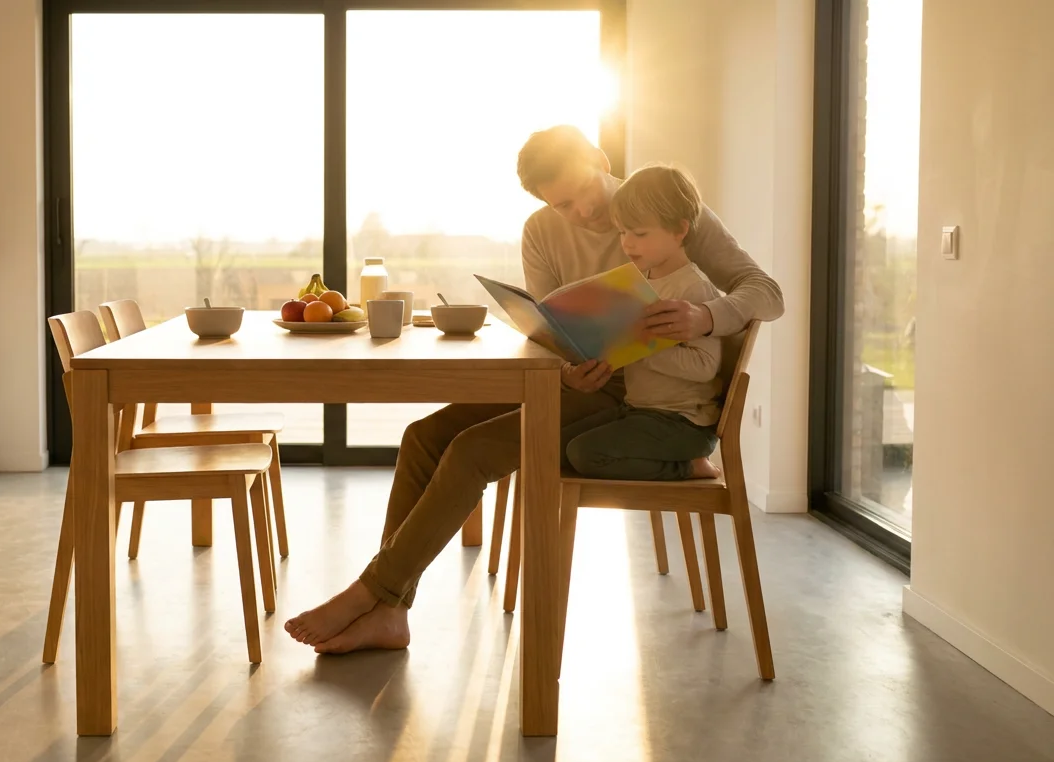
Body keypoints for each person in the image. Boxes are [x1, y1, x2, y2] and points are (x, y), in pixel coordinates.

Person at [284, 125, 784, 654]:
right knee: (423, 437)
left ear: (598, 158)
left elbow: (767, 294)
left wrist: (705, 316)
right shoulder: (542, 231)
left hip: (639, 396)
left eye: (583, 195)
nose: (582, 215)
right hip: (576, 380)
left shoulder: (660, 208)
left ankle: (375, 593)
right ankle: (391, 609)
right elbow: (553, 329)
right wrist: (565, 365)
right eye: (563, 205)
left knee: (473, 451)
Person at [564, 163, 724, 482]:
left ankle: (688, 467)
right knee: (553, 446)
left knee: (584, 453)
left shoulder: (692, 288)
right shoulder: (641, 283)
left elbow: (705, 367)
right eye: (623, 232)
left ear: (679, 230)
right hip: (640, 411)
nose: (628, 243)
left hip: (684, 423)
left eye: (639, 234)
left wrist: (641, 346)